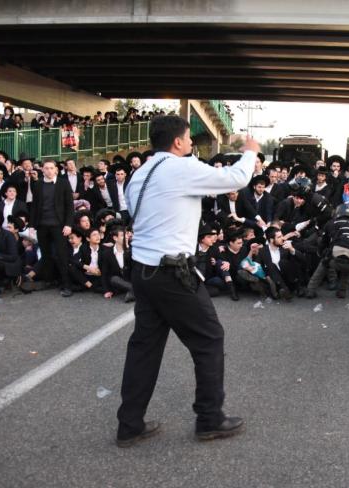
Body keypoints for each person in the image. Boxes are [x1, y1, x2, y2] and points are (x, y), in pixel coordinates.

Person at [116, 115, 258, 447]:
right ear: (177, 142)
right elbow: (235, 177)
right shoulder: (179, 169)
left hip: (143, 271)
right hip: (172, 272)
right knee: (209, 339)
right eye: (189, 139)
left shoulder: (139, 174)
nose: (192, 145)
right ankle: (210, 419)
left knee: (144, 349)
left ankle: (129, 424)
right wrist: (250, 151)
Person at [29, 159, 75, 297]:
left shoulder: (63, 183)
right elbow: (34, 207)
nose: (49, 170)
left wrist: (68, 224)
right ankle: (50, 280)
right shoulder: (37, 185)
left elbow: (70, 206)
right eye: (46, 168)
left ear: (56, 169)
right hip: (42, 225)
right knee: (46, 254)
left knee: (61, 255)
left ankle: (66, 284)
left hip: (59, 225)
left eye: (51, 168)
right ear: (42, 170)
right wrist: (31, 225)